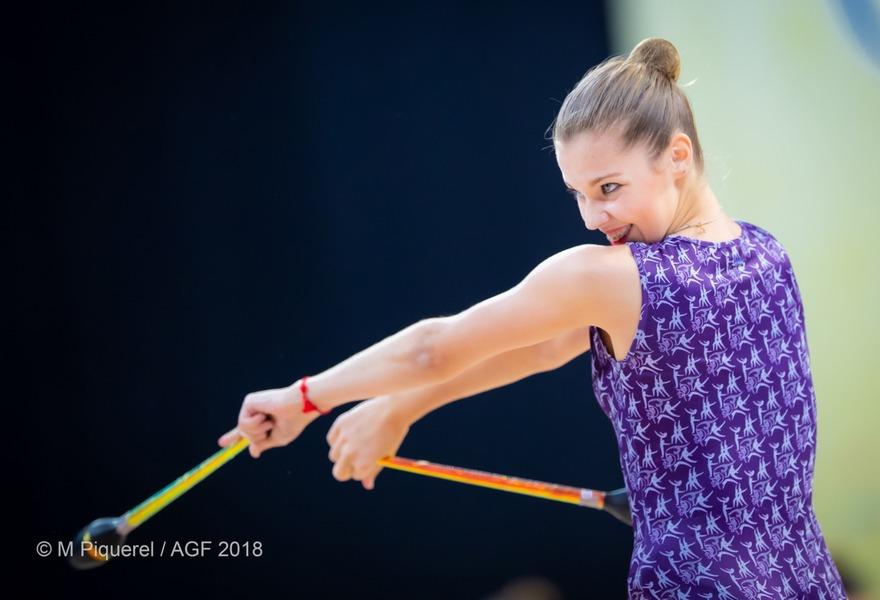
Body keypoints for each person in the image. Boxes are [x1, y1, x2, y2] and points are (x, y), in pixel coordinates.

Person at [219, 38, 846, 598]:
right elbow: (543, 348)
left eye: (607, 188)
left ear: (676, 156)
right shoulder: (767, 255)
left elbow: (432, 349)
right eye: (577, 193)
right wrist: (399, 408)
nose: (591, 217)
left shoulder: (610, 277)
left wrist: (304, 399)